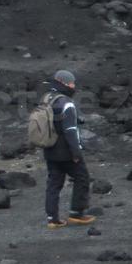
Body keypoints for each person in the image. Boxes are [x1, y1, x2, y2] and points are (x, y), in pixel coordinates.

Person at [41, 69, 94, 230]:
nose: (74, 85)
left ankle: (52, 219)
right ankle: (76, 213)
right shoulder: (66, 103)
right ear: (64, 83)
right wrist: (76, 153)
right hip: (66, 152)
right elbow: (70, 130)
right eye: (72, 83)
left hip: (49, 149)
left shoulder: (47, 98)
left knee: (54, 184)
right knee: (82, 177)